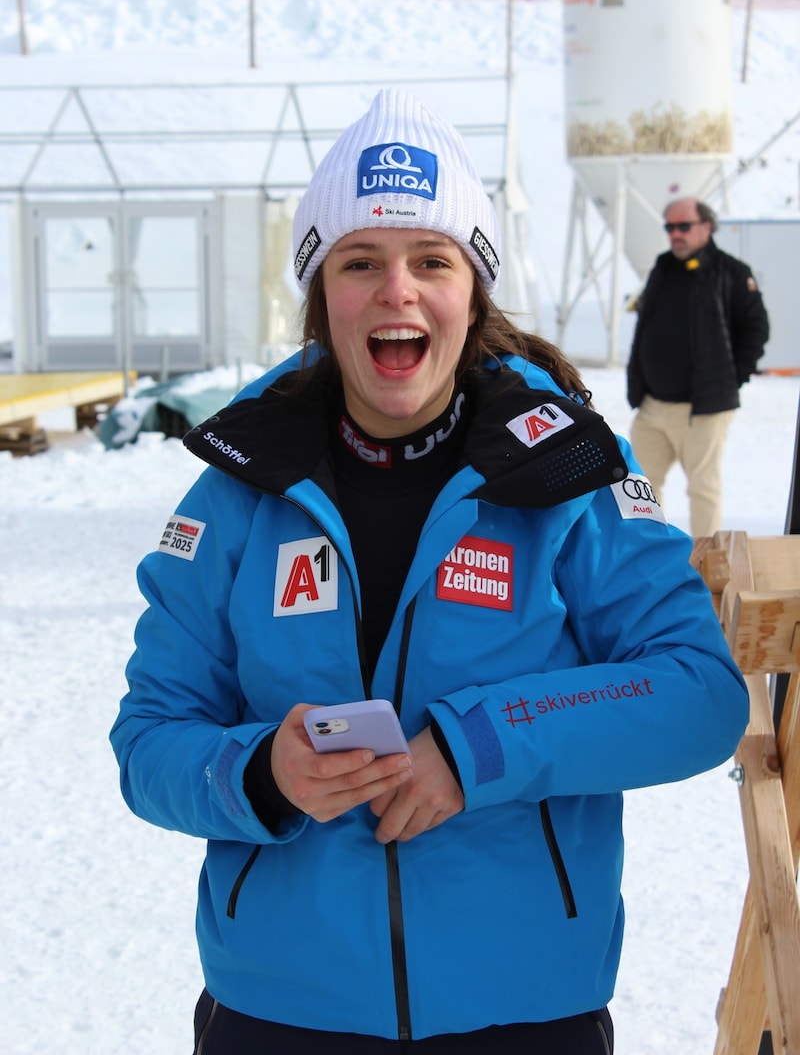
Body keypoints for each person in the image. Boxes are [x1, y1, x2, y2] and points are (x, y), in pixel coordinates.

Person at [110, 90, 750, 1054]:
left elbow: (699, 695)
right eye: (359, 262)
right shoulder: (238, 488)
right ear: (323, 297)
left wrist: (477, 746)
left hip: (525, 1010)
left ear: (472, 292)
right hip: (280, 1013)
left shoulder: (569, 472)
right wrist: (259, 772)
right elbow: (150, 741)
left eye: (431, 261)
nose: (396, 290)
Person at [626, 196, 769, 539]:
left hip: (703, 409)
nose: (676, 234)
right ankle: (645, 562)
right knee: (636, 489)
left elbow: (756, 329)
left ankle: (706, 570)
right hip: (653, 406)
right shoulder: (662, 268)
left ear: (706, 226)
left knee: (703, 489)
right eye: (670, 227)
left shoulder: (732, 272)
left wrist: (732, 379)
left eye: (684, 226)